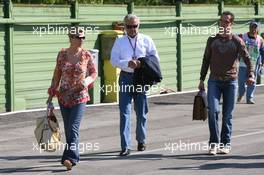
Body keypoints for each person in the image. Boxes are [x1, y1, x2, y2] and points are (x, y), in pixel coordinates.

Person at [198, 11, 255, 155]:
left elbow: (248, 59)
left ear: (231, 24)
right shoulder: (212, 40)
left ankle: (225, 144)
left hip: (231, 82)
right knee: (213, 111)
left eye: (227, 21)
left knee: (227, 115)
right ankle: (213, 144)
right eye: (222, 21)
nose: (224, 24)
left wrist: (251, 74)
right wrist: (201, 79)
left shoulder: (237, 41)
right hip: (214, 81)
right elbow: (206, 60)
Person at [46, 27, 97, 170]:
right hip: (63, 97)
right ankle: (72, 154)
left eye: (83, 37)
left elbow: (94, 73)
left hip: (80, 96)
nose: (81, 40)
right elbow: (57, 74)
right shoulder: (62, 54)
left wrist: (86, 81)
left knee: (73, 127)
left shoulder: (87, 55)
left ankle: (69, 158)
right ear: (70, 38)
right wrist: (51, 93)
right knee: (68, 128)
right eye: (78, 37)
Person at [110, 14, 159, 156]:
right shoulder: (119, 41)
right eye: (129, 26)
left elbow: (155, 58)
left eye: (135, 26)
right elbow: (113, 60)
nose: (132, 29)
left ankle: (141, 140)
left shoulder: (146, 40)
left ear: (139, 25)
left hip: (141, 78)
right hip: (126, 77)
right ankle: (125, 146)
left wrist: (141, 63)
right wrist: (127, 63)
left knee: (142, 112)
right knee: (124, 113)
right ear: (124, 27)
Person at [237, 21, 264, 104]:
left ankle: (250, 98)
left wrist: (262, 63)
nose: (254, 29)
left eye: (255, 28)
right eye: (252, 27)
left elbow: (263, 52)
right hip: (243, 64)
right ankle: (241, 94)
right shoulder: (243, 37)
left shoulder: (260, 40)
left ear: (258, 29)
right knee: (241, 82)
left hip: (254, 65)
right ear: (249, 27)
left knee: (252, 82)